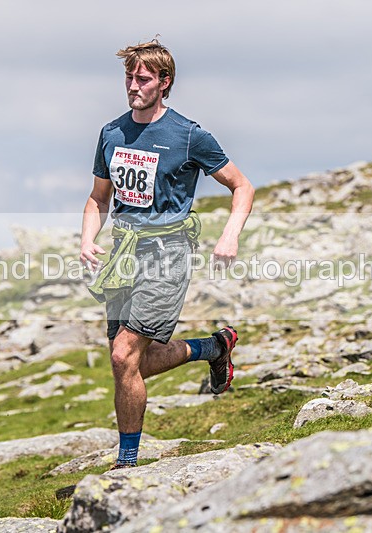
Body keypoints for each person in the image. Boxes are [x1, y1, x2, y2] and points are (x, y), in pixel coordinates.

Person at [80, 39, 254, 470]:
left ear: (164, 82)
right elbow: (98, 198)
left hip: (168, 253)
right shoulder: (111, 132)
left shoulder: (189, 135)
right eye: (129, 77)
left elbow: (242, 186)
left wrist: (230, 234)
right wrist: (87, 239)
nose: (133, 86)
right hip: (123, 258)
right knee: (132, 361)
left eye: (143, 78)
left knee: (124, 355)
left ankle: (126, 463)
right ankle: (214, 348)